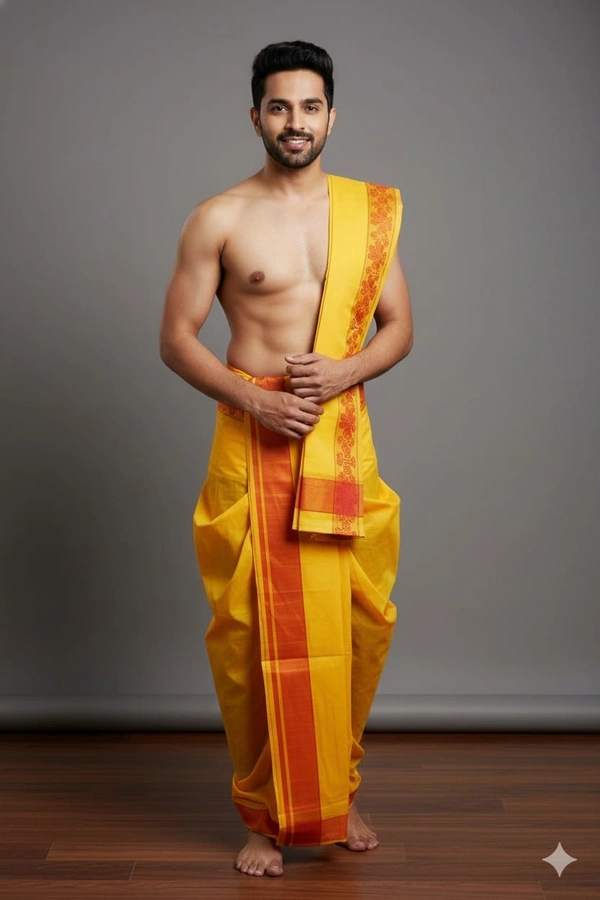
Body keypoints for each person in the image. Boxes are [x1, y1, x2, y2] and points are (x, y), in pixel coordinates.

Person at [159, 40, 414, 878]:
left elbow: (399, 328)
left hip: (340, 439)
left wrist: (344, 371)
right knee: (249, 635)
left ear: (331, 116)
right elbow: (176, 340)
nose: (295, 121)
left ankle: (335, 794)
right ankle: (261, 820)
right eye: (279, 106)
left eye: (309, 107)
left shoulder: (367, 214)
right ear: (256, 116)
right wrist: (257, 400)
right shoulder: (220, 218)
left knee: (356, 625)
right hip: (253, 436)